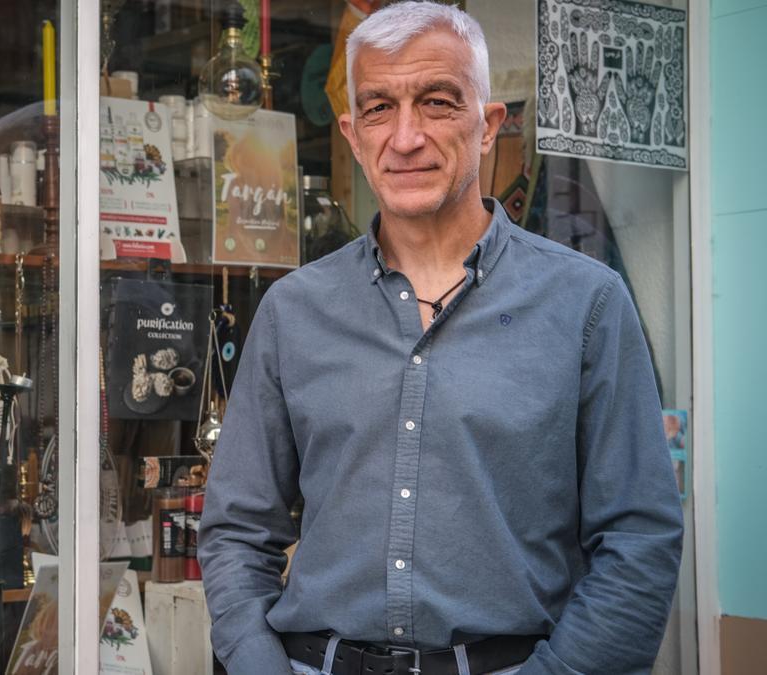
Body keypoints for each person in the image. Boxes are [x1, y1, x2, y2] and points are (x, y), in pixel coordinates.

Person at [197, 3, 684, 675]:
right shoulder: (292, 312)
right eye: (378, 108)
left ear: (488, 126)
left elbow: (638, 540)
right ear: (351, 133)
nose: (405, 137)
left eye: (437, 102)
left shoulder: (587, 306)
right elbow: (235, 533)